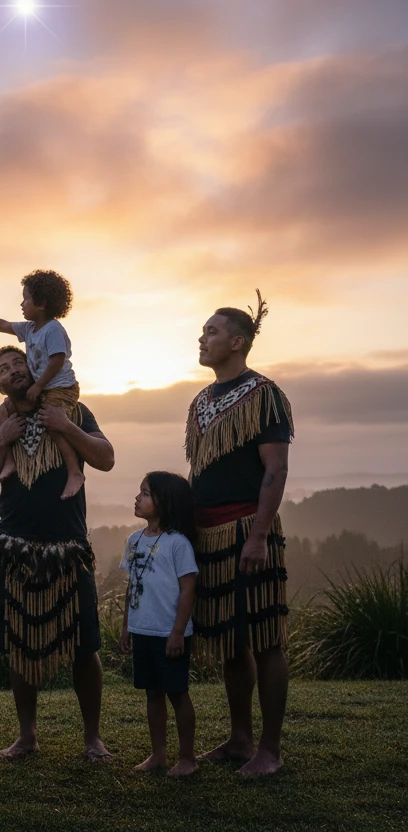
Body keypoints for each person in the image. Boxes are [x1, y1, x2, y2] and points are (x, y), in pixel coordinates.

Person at [0, 347, 115, 760]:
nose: (13, 370)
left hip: (68, 548)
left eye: (19, 362)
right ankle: (27, 736)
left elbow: (105, 458)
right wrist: (2, 440)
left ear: (34, 367)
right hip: (14, 548)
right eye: (4, 369)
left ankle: (93, 738)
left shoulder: (73, 411)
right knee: (20, 645)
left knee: (85, 647)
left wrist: (66, 427)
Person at [186, 290, 293, 777]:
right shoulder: (200, 401)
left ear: (237, 342)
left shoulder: (265, 394)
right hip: (207, 534)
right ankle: (239, 739)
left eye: (211, 331)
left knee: (265, 637)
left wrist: (258, 535)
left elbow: (276, 469)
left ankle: (270, 750)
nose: (201, 338)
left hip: (249, 529)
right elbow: (199, 470)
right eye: (203, 331)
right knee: (232, 639)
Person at [0, 268, 84, 498]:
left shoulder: (53, 330)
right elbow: (3, 325)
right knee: (2, 411)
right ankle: (10, 462)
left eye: (26, 299)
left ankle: (74, 471)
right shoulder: (29, 329)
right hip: (45, 387)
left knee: (53, 422)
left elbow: (57, 360)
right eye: (4, 369)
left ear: (42, 303)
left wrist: (38, 385)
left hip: (60, 388)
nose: (21, 304)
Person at [119, 472, 199, 777]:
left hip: (169, 634)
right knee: (152, 693)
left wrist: (178, 632)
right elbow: (132, 586)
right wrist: (127, 626)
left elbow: (188, 589)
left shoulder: (178, 544)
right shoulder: (134, 540)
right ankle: (158, 754)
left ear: (164, 501)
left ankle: (188, 759)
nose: (137, 498)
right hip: (143, 630)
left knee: (177, 693)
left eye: (145, 493)